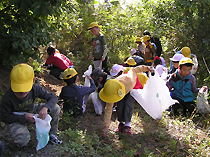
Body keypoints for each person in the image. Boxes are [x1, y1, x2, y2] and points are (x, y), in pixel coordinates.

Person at [1, 63, 62, 147]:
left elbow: (53, 97)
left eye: (25, 89)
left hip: (31, 110)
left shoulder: (35, 88)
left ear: (33, 81)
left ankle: (53, 134)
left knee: (55, 108)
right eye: (18, 89)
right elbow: (4, 117)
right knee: (22, 140)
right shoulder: (7, 98)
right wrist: (24, 117)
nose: (22, 92)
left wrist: (46, 107)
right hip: (16, 117)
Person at [91, 65, 150, 137]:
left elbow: (134, 70)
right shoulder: (111, 88)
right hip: (121, 90)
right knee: (120, 106)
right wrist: (106, 126)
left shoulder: (129, 80)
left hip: (133, 88)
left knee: (128, 104)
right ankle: (121, 123)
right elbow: (108, 108)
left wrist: (147, 68)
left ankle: (127, 125)